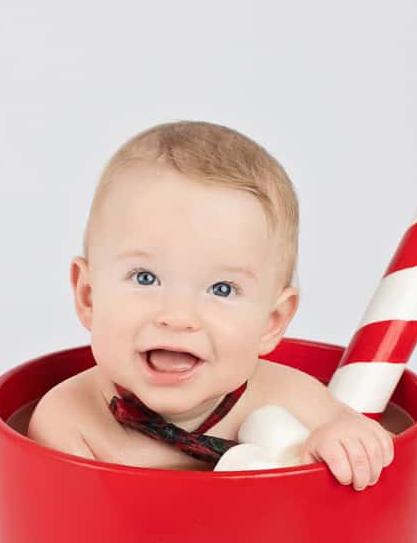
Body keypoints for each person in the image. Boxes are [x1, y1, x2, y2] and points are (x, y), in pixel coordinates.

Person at [27, 120, 394, 490]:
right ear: (89, 296)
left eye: (221, 289)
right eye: (145, 278)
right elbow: (65, 536)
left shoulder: (295, 400)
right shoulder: (69, 422)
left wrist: (346, 442)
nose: (178, 317)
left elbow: (360, 439)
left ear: (271, 321)